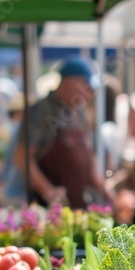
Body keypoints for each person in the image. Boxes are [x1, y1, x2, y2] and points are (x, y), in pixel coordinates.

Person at [13, 58, 115, 210]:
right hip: (49, 208)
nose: (91, 92)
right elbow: (22, 157)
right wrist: (48, 190)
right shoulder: (41, 112)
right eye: (86, 86)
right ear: (70, 82)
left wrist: (105, 192)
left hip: (78, 204)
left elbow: (88, 155)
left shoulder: (79, 112)